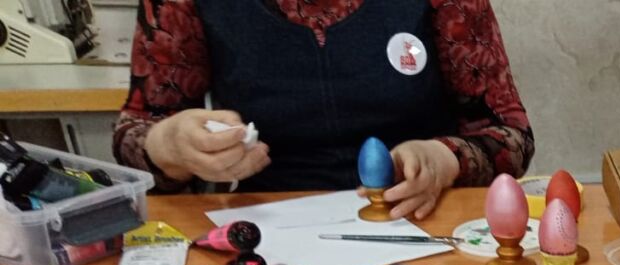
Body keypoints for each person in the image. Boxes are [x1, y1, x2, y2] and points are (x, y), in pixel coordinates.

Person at [113, 0, 533, 221]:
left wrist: (444, 158)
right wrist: (170, 145)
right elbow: (135, 134)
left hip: (423, 221)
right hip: (267, 233)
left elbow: (510, 136)